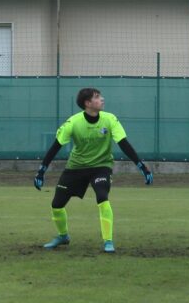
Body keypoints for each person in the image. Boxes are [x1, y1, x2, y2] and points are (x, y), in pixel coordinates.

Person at [34, 88, 153, 253]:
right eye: (97, 97)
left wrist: (142, 167)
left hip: (101, 166)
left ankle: (108, 241)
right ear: (87, 103)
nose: (102, 99)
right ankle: (63, 236)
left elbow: (124, 144)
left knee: (102, 197)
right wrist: (41, 171)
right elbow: (55, 147)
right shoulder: (73, 123)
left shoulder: (109, 119)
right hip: (76, 167)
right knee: (57, 205)